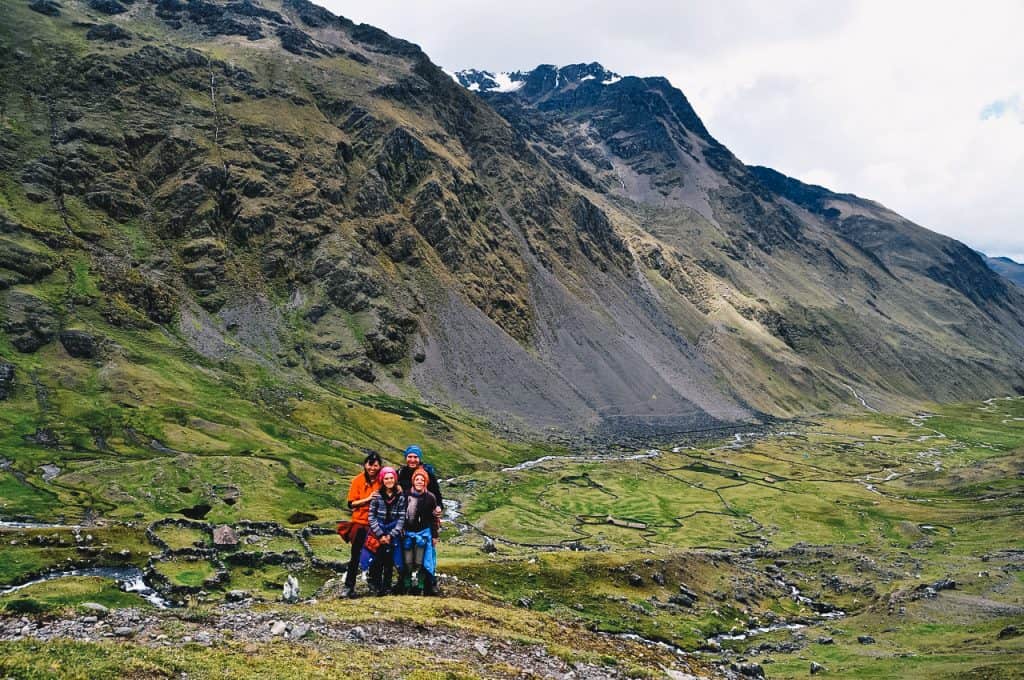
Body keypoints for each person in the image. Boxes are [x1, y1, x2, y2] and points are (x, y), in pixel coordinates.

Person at [343, 451, 381, 598]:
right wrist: (368, 499)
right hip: (360, 523)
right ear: (365, 465)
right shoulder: (357, 481)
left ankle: (375, 583)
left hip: (376, 524)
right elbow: (351, 504)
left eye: (375, 465)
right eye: (370, 465)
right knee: (355, 556)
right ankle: (349, 586)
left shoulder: (382, 480)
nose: (372, 468)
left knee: (378, 554)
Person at [398, 466, 440, 596]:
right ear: (413, 481)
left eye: (422, 479)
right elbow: (400, 514)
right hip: (407, 534)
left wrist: (434, 536)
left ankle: (420, 586)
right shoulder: (405, 495)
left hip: (424, 534)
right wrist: (401, 529)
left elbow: (433, 519)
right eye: (417, 479)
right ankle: (407, 584)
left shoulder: (431, 498)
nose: (420, 482)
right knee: (407, 561)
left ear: (426, 482)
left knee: (422, 561)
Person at [367, 466, 405, 595]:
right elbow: (371, 516)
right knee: (378, 558)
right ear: (382, 480)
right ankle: (375, 584)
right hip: (378, 531)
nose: (389, 480)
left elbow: (401, 517)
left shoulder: (400, 496)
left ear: (395, 479)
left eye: (391, 478)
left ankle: (387, 586)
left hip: (392, 532)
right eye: (386, 478)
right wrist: (380, 534)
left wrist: (391, 534)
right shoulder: (376, 496)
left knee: (389, 560)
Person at [397, 444, 443, 510]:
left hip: (424, 512)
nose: (412, 460)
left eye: (415, 457)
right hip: (404, 511)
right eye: (409, 457)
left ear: (419, 458)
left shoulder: (428, 474)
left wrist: (439, 506)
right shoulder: (400, 472)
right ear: (406, 458)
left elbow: (437, 494)